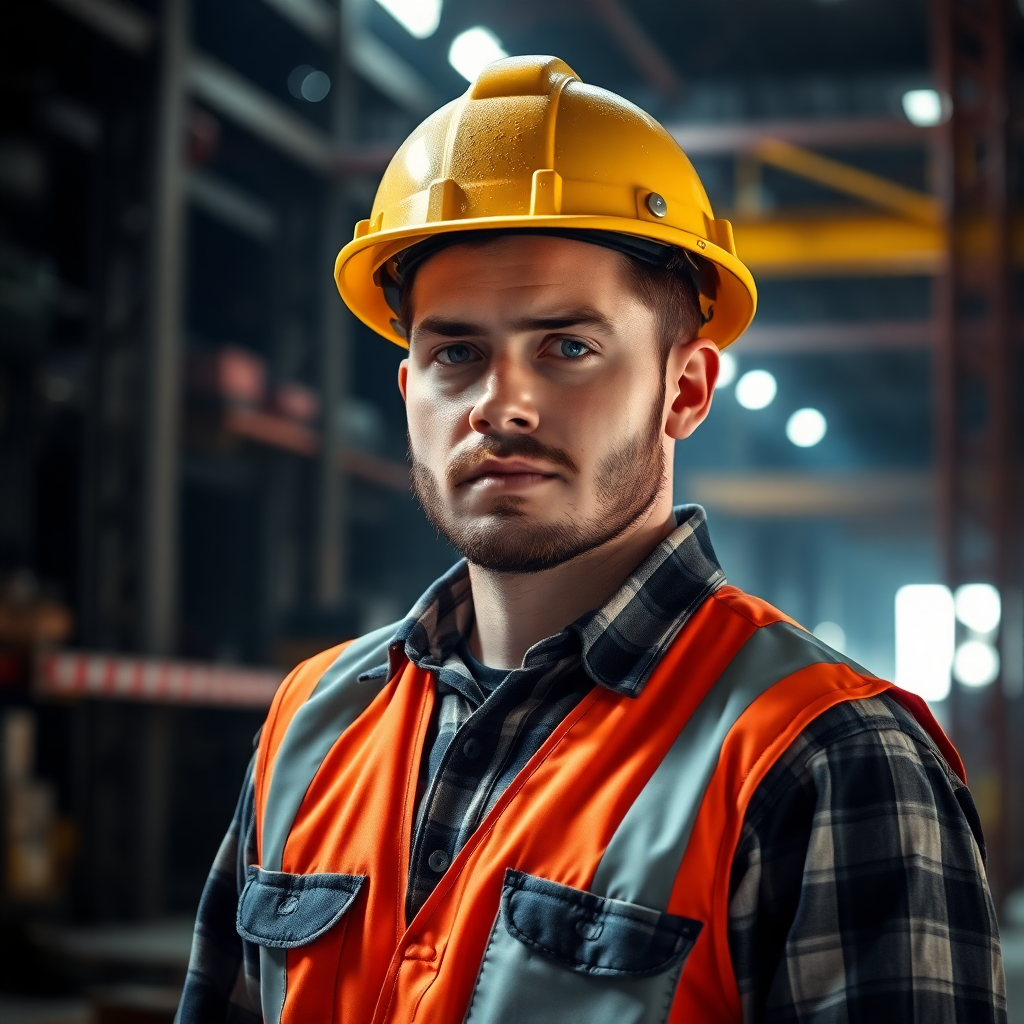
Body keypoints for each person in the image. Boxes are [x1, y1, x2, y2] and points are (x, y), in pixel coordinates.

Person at [176, 55, 1004, 1024]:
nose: (500, 404)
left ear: (684, 390)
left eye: (567, 347)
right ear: (410, 395)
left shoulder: (822, 756)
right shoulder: (309, 723)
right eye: (455, 354)